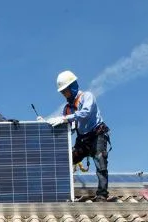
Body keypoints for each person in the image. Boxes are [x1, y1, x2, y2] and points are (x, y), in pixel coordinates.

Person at [46, 70, 116, 202]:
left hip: (97, 135)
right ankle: (63, 192)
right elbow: (69, 128)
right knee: (68, 160)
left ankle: (102, 195)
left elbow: (86, 113)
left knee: (101, 163)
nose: (63, 94)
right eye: (62, 92)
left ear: (72, 87)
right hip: (82, 140)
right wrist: (44, 126)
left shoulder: (87, 96)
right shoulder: (67, 108)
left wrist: (65, 118)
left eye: (65, 91)